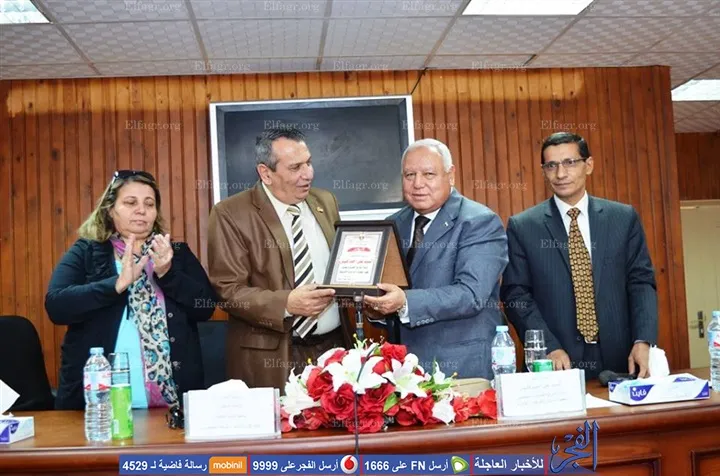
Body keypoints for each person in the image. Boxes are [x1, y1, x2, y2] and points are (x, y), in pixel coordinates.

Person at [45, 170, 217, 410]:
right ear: (110, 209)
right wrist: (115, 285)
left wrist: (168, 273)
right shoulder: (87, 251)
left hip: (171, 406)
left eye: (149, 204)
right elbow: (56, 306)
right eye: (130, 202)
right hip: (97, 407)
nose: (141, 210)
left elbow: (205, 308)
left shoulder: (175, 253)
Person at [501, 132, 658, 379]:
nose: (560, 174)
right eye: (551, 166)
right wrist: (548, 346)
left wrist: (643, 340)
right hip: (555, 362)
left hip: (621, 359)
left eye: (570, 163)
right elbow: (515, 294)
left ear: (589, 165)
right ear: (543, 171)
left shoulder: (623, 218)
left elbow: (641, 282)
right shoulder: (524, 226)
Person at [207, 128, 352, 390]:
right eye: (295, 167)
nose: (308, 174)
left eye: (308, 162)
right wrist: (286, 303)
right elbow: (228, 291)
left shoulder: (326, 201)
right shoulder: (230, 214)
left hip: (334, 352)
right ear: (266, 173)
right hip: (272, 359)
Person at [363, 138, 509, 380]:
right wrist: (378, 309)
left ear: (451, 176)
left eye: (428, 174)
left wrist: (404, 302)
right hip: (404, 370)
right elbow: (392, 292)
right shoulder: (393, 223)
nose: (418, 184)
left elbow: (471, 294)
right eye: (409, 175)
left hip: (461, 367)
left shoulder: (479, 222)